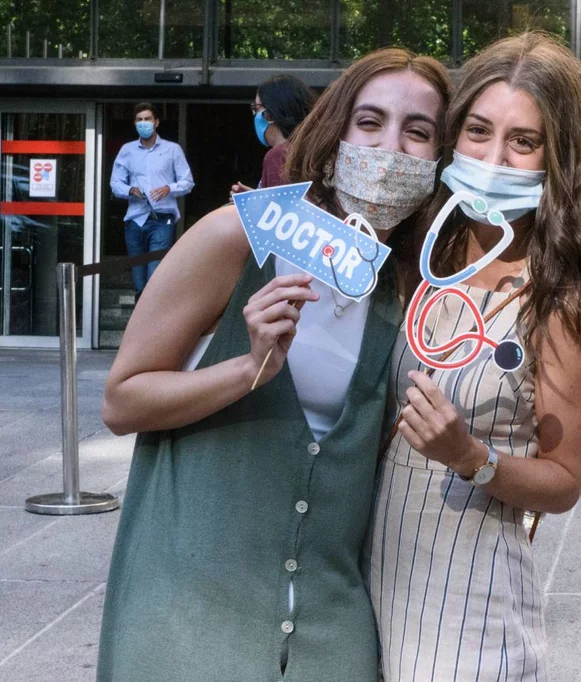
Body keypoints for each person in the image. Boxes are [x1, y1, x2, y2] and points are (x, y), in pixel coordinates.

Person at [96, 48, 450, 682]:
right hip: (189, 615)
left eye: (418, 132)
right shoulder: (238, 236)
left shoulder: (403, 284)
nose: (390, 148)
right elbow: (122, 401)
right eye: (369, 123)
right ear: (334, 130)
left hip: (328, 624)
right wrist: (245, 370)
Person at [365, 32, 581, 681]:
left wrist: (471, 456)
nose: (493, 157)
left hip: (465, 607)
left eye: (524, 142)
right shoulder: (427, 251)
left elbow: (564, 480)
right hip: (365, 580)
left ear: (560, 158)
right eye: (478, 131)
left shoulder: (567, 300)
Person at [109, 102, 194, 301]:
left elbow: (188, 182)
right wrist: (130, 190)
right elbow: (115, 183)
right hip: (135, 220)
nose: (143, 123)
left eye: (147, 119)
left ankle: (151, 319)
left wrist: (169, 188)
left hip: (162, 220)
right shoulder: (127, 150)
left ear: (156, 122)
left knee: (155, 277)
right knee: (139, 280)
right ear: (134, 123)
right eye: (139, 120)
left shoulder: (172, 149)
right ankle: (143, 321)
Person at [231, 75, 316, 194]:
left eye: (256, 108)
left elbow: (281, 209)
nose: (255, 115)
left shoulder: (278, 156)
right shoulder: (313, 150)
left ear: (269, 115)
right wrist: (256, 198)